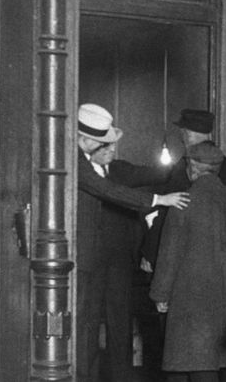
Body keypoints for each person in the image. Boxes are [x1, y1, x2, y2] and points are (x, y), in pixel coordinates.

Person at [74, 103, 189, 382]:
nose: (112, 152)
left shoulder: (114, 168)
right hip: (88, 262)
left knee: (119, 325)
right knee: (86, 327)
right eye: (106, 146)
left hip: (118, 263)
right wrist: (158, 200)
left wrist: (187, 164)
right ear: (89, 142)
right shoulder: (75, 161)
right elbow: (106, 191)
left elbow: (149, 174)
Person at [149, 142, 226, 382]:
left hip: (189, 302)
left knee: (187, 364)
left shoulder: (183, 202)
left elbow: (169, 254)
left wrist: (160, 295)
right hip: (225, 302)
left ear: (192, 167)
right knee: (212, 365)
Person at [142, 109, 226, 270]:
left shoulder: (186, 166)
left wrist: (150, 251)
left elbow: (168, 209)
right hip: (222, 256)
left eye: (183, 132)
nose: (182, 137)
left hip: (187, 254)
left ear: (188, 134)